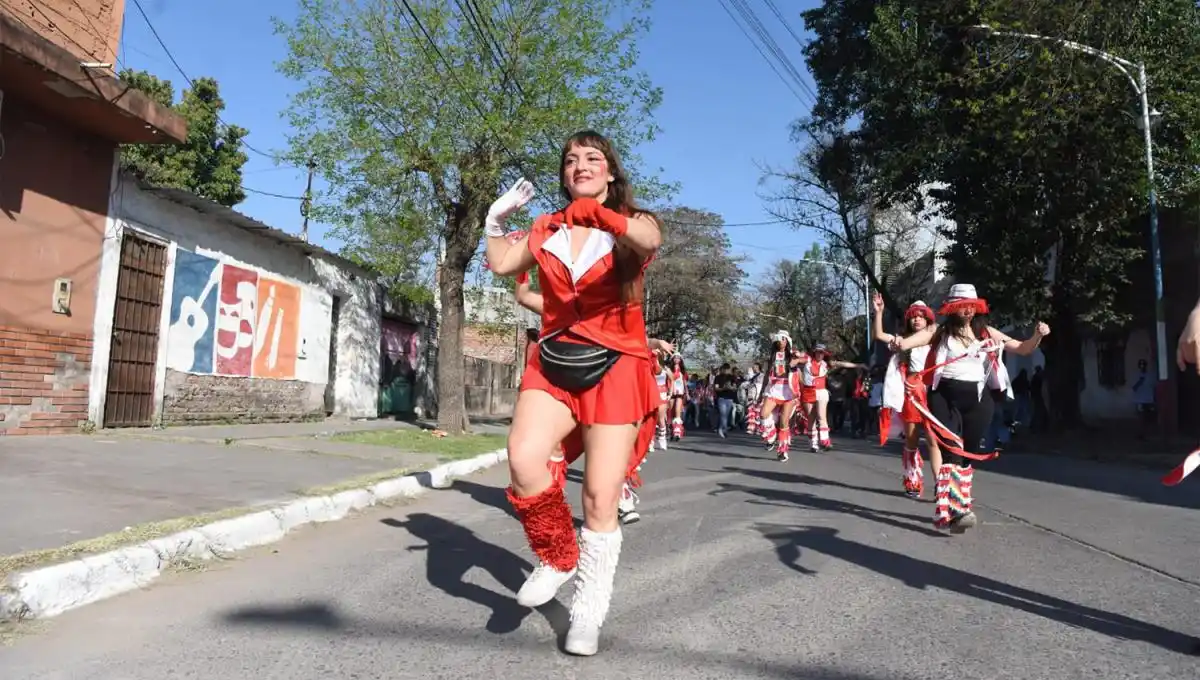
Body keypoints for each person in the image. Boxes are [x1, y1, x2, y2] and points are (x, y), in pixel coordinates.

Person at [484, 130, 663, 656]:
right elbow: (501, 264)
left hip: (617, 367)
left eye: (592, 158)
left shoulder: (634, 223)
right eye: (570, 160)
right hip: (556, 360)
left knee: (600, 496)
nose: (579, 164)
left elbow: (649, 241)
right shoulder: (547, 227)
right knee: (522, 455)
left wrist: (597, 215)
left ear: (610, 171)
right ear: (564, 175)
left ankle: (588, 610)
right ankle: (558, 554)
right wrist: (495, 222)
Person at [884, 283, 1049, 533]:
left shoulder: (986, 332)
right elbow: (911, 341)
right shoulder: (939, 331)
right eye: (963, 307)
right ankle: (958, 509)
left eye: (972, 307)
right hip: (944, 397)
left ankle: (954, 506)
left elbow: (1023, 348)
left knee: (969, 453)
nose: (968, 311)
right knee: (952, 452)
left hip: (979, 399)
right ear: (952, 308)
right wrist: (899, 343)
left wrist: (1038, 335)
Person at [513, 272, 672, 527]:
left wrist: (654, 342)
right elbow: (522, 295)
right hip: (563, 380)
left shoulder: (613, 308)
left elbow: (635, 338)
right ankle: (554, 519)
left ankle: (619, 495)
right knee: (550, 446)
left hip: (608, 385)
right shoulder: (558, 307)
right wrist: (522, 266)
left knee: (606, 459)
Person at [874, 298, 943, 499]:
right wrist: (879, 312)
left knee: (933, 439)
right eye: (913, 317)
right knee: (911, 440)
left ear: (928, 319)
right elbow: (878, 334)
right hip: (912, 392)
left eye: (921, 317)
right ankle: (912, 479)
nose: (917, 320)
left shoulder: (936, 336)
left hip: (931, 390)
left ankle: (940, 483)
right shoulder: (902, 340)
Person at [796, 344, 864, 452]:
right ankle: (813, 444)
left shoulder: (826, 364)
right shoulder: (807, 360)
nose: (820, 354)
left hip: (821, 391)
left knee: (821, 416)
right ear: (814, 352)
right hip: (808, 392)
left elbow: (842, 364)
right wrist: (795, 354)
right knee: (811, 419)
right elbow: (798, 357)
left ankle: (825, 441)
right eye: (818, 352)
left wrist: (857, 365)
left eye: (822, 352)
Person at [758, 331, 802, 461]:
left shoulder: (792, 355)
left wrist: (797, 357)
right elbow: (767, 375)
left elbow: (804, 359)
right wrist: (761, 392)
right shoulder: (772, 356)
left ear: (787, 341)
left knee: (784, 422)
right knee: (763, 414)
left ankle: (783, 451)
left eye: (783, 339)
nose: (780, 341)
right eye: (779, 339)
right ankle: (771, 437)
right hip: (773, 390)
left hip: (788, 392)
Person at [713, 363, 738, 437]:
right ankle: (725, 430)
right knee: (723, 414)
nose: (726, 371)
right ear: (722, 369)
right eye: (725, 369)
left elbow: (735, 387)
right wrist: (723, 388)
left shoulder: (732, 377)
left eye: (728, 369)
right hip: (721, 398)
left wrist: (731, 388)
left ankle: (721, 428)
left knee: (725, 415)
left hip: (729, 398)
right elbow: (716, 388)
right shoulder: (717, 377)